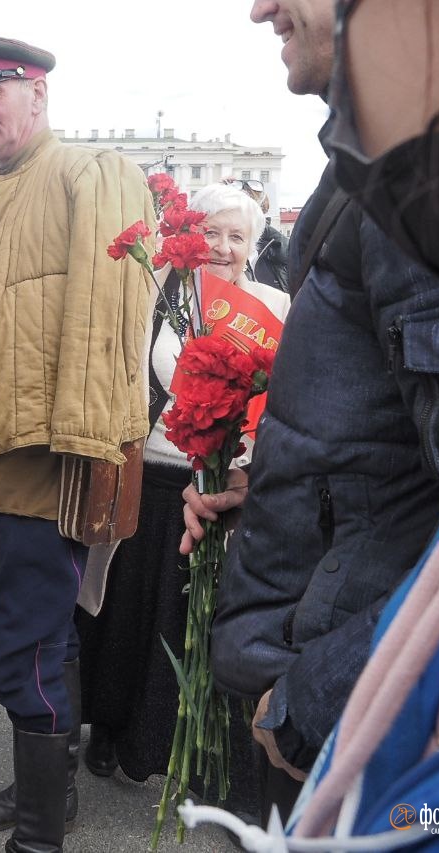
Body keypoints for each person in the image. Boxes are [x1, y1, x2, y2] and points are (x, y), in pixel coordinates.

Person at [186, 1, 439, 847]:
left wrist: (315, 696)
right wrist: (277, 483)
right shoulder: (384, 166)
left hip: (370, 721)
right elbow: (417, 456)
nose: (260, 8)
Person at [0, 37, 154, 852]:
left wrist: (90, 454)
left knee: (27, 655)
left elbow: (101, 331)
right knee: (43, 642)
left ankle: (38, 836)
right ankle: (51, 793)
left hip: (47, 472)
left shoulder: (87, 175)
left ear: (37, 94)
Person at [76, 184, 287, 818]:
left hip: (225, 491)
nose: (222, 247)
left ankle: (196, 755)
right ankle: (114, 730)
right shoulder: (159, 290)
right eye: (213, 232)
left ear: (253, 246)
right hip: (155, 475)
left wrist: (243, 457)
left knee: (199, 623)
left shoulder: (274, 305)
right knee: (129, 616)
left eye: (237, 236)